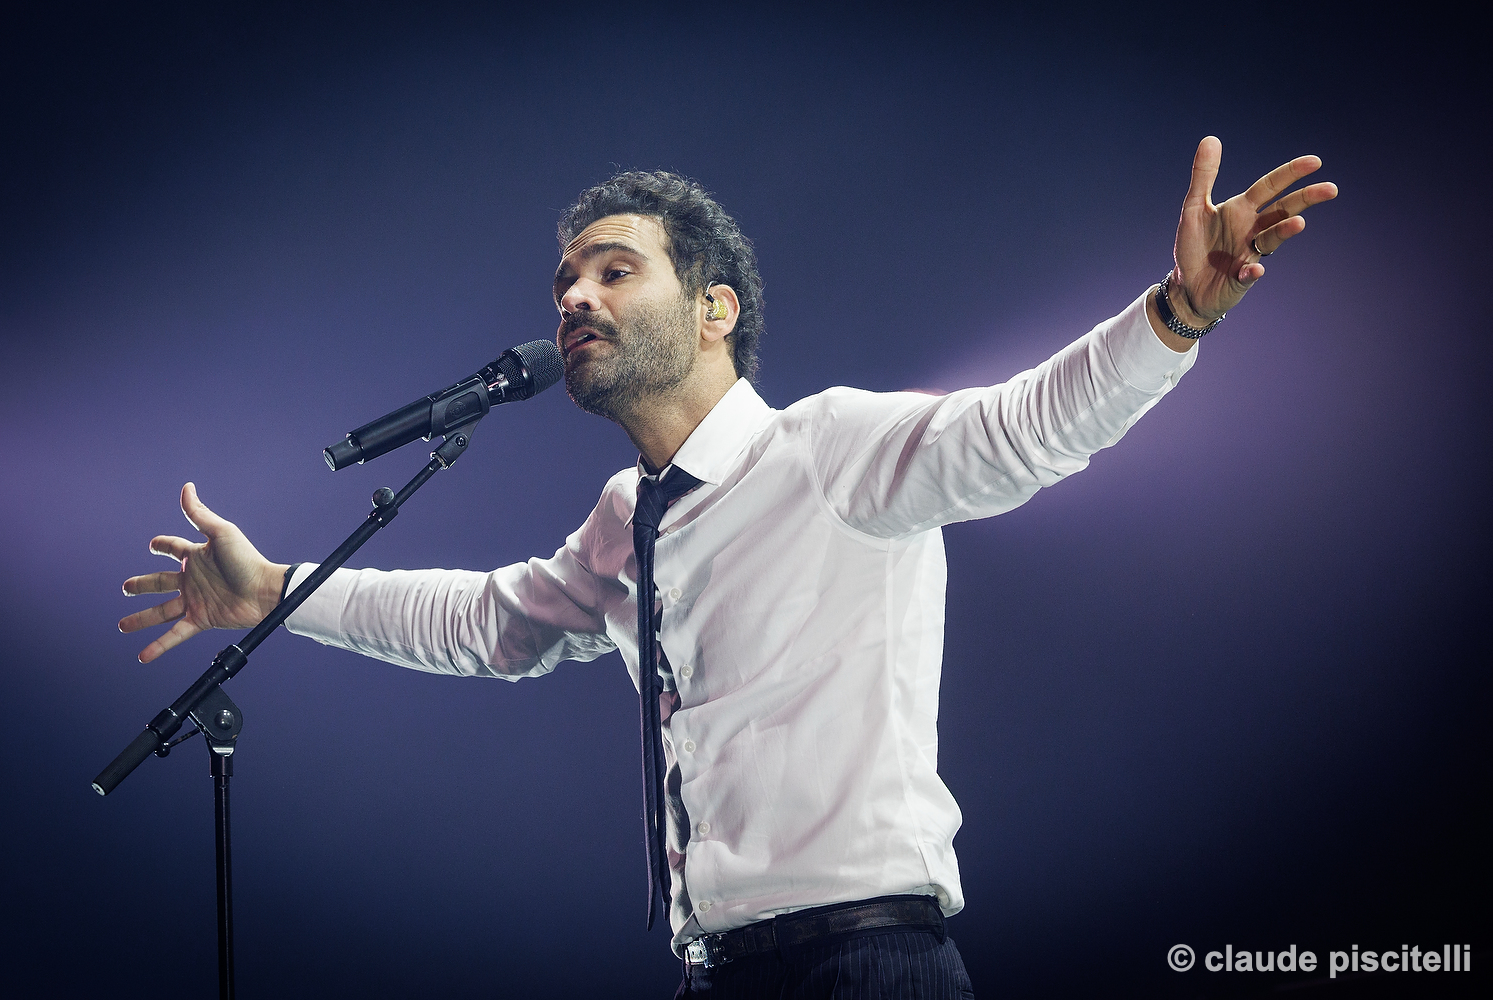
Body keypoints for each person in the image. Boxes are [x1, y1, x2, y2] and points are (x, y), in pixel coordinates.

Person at [118, 137, 1336, 998]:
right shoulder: (625, 516)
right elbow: (492, 622)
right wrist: (274, 590)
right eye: (565, 281)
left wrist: (1176, 313)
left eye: (613, 269)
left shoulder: (829, 448)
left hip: (867, 961)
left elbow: (1026, 427)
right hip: (717, 972)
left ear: (714, 309)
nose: (574, 296)